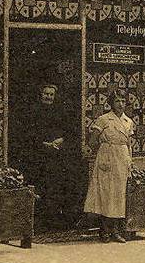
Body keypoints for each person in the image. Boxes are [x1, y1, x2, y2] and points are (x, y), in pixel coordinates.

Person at [22, 83, 80, 229]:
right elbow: (28, 133)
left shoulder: (60, 112)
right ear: (41, 95)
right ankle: (39, 222)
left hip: (57, 156)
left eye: (51, 94)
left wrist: (61, 140)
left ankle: (54, 220)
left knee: (55, 186)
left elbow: (69, 131)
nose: (48, 97)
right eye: (46, 94)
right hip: (38, 155)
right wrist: (44, 144)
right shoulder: (33, 111)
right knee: (40, 186)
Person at [84, 95, 134, 243]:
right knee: (106, 194)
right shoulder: (103, 119)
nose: (120, 104)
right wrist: (95, 152)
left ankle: (116, 231)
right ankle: (104, 231)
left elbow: (129, 144)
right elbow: (93, 141)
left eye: (123, 101)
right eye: (117, 101)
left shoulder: (128, 121)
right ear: (111, 103)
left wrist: (130, 161)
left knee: (119, 195)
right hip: (107, 156)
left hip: (122, 157)